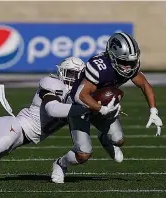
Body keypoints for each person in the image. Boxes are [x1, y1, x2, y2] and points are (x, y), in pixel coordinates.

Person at [51, 32, 163, 184]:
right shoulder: (99, 66)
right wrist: (102, 110)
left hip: (101, 106)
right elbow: (80, 96)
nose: (128, 67)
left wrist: (153, 111)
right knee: (83, 154)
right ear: (112, 56)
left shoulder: (129, 66)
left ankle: (104, 138)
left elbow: (144, 84)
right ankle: (60, 163)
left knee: (119, 140)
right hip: (80, 108)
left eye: (131, 62)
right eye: (124, 62)